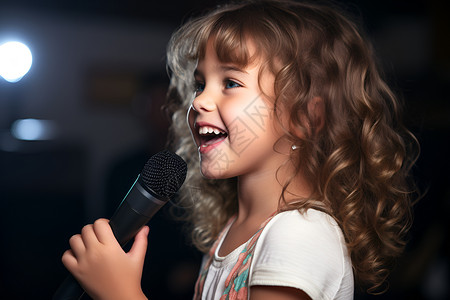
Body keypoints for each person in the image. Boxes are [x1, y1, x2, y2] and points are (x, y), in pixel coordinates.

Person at [61, 1, 419, 299]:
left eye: (230, 82)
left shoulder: (299, 235)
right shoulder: (234, 231)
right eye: (200, 83)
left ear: (306, 117)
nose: (200, 99)